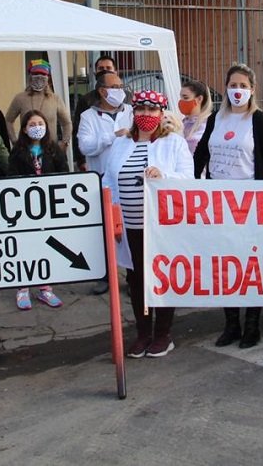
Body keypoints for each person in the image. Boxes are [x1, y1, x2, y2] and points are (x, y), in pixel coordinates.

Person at [193, 63, 263, 349]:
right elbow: (201, 156)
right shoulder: (215, 119)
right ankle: (231, 325)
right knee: (225, 265)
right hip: (220, 204)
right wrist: (187, 188)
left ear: (252, 90)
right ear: (225, 88)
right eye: (233, 85)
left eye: (243, 85)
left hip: (251, 205)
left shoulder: (258, 121)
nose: (237, 90)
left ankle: (253, 325)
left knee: (251, 264)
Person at [103, 90, 193, 358]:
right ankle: (143, 333)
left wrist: (163, 175)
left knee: (161, 277)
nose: (145, 115)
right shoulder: (121, 144)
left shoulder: (174, 143)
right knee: (136, 279)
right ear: (133, 112)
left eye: (151, 110)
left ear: (161, 113)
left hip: (160, 226)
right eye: (140, 110)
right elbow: (107, 179)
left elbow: (189, 179)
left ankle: (163, 334)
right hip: (128, 226)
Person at [76, 68, 133, 296]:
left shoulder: (130, 111)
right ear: (102, 91)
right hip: (102, 182)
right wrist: (112, 136)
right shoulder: (88, 116)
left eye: (121, 87)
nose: (120, 91)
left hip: (128, 181)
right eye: (114, 87)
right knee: (104, 231)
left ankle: (132, 277)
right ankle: (106, 277)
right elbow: (85, 146)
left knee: (129, 230)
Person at [6, 111, 67, 311]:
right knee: (24, 246)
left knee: (46, 245)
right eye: (32, 124)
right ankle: (22, 288)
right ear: (24, 129)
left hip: (48, 206)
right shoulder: (17, 151)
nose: (37, 127)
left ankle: (45, 288)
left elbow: (63, 174)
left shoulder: (55, 150)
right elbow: (11, 178)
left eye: (41, 123)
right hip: (24, 208)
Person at [5, 59, 72, 153]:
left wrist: (65, 143)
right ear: (30, 76)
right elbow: (8, 120)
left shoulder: (55, 99)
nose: (39, 77)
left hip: (50, 150)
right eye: (36, 74)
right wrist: (14, 141)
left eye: (43, 74)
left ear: (48, 77)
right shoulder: (20, 98)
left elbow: (67, 123)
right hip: (26, 151)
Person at [71, 54, 118, 169]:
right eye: (101, 69)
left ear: (116, 72)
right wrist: (81, 160)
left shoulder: (126, 98)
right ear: (95, 73)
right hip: (96, 160)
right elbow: (78, 131)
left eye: (108, 68)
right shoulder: (86, 100)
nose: (105, 71)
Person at [177, 78, 213, 154]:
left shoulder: (208, 123)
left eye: (185, 97)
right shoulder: (181, 123)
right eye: (181, 97)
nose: (181, 101)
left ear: (199, 99)